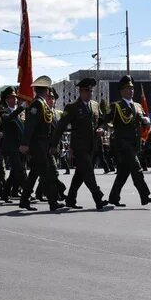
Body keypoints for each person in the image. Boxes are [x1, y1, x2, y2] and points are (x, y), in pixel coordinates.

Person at [51, 76, 109, 210]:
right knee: (88, 172)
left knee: (80, 174)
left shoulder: (95, 105)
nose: (90, 93)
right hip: (79, 147)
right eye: (87, 91)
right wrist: (54, 145)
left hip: (93, 145)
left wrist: (102, 128)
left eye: (91, 91)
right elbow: (61, 126)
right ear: (81, 92)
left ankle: (70, 199)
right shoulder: (72, 107)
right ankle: (98, 198)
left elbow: (102, 121)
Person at [105, 75, 151, 207]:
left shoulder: (138, 106)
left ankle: (113, 197)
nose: (131, 91)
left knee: (123, 173)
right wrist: (101, 128)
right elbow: (106, 120)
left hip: (135, 144)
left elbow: (142, 120)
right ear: (121, 91)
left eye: (132, 88)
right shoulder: (116, 106)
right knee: (137, 168)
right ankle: (145, 196)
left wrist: (146, 121)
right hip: (123, 144)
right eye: (127, 88)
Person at [19, 76, 63, 211]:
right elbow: (30, 126)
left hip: (44, 144)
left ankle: (24, 200)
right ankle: (53, 202)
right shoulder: (37, 104)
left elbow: (48, 127)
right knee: (47, 174)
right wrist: (25, 143)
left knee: (34, 174)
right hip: (38, 145)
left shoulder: (42, 103)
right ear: (46, 90)